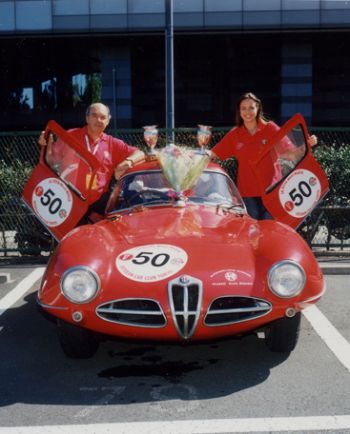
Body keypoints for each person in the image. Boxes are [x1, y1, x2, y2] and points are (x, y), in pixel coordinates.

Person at [209, 92, 317, 220]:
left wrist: (307, 145)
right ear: (239, 111)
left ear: (258, 108)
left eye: (251, 108)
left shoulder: (271, 129)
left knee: (269, 232)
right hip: (247, 194)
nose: (247, 112)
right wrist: (193, 157)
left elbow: (290, 154)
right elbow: (213, 154)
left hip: (272, 192)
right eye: (243, 108)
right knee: (252, 234)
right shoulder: (235, 134)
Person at [38, 102, 145, 215]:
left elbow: (140, 153)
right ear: (87, 118)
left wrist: (128, 162)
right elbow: (50, 161)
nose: (98, 120)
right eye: (94, 116)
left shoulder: (113, 144)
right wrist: (46, 145)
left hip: (98, 204)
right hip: (68, 201)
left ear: (108, 121)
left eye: (103, 117)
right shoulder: (70, 136)